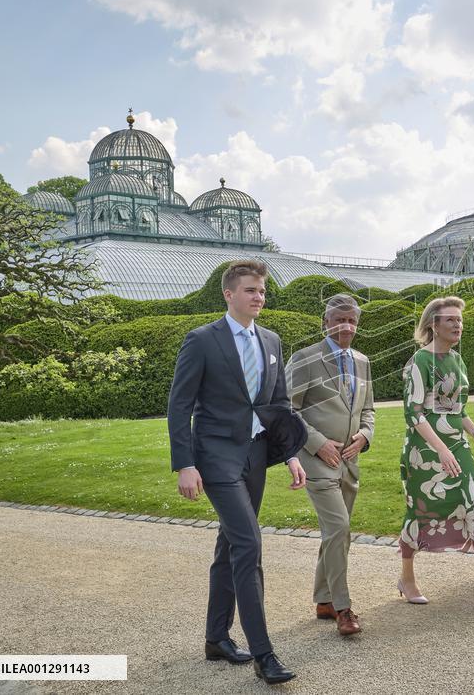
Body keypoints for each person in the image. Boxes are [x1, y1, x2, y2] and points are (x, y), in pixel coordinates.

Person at [167, 260, 308, 685]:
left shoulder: (271, 340)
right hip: (216, 457)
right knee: (248, 544)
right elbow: (179, 405)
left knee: (229, 544)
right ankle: (265, 654)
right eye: (250, 290)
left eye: (262, 291)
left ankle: (216, 638)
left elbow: (278, 403)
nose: (258, 297)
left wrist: (291, 453)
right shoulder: (201, 340)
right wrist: (185, 462)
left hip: (256, 455)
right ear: (229, 294)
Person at [397, 296, 474, 607]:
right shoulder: (419, 362)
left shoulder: (457, 360)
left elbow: (457, 409)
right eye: (451, 320)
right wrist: (440, 450)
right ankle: (407, 577)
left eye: (460, 320)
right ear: (433, 325)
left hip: (457, 446)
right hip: (425, 453)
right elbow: (415, 414)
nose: (458, 325)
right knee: (421, 513)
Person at [285, 294, 375, 637]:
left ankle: (323, 599)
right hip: (316, 461)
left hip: (350, 461)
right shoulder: (305, 359)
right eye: (338, 320)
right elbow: (285, 408)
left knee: (336, 534)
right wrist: (318, 443)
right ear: (325, 322)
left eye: (351, 320)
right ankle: (342, 607)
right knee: (339, 528)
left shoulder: (363, 361)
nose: (345, 326)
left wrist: (365, 435)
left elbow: (368, 410)